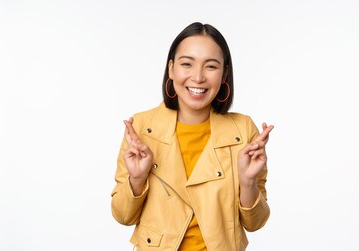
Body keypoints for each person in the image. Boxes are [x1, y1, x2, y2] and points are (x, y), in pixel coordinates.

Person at [110, 22, 274, 251]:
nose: (198, 77)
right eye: (187, 64)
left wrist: (247, 183)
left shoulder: (243, 130)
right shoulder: (142, 127)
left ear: (224, 72)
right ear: (171, 69)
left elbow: (255, 223)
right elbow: (122, 215)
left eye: (211, 66)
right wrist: (136, 180)